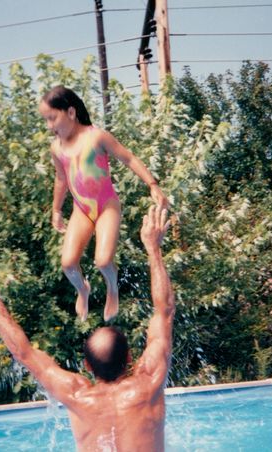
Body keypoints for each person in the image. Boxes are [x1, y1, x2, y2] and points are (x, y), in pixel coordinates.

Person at [0, 205, 175, 451]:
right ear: (129, 357)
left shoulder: (77, 396)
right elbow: (165, 311)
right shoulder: (148, 382)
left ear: (86, 366)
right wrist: (153, 249)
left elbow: (24, 353)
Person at [39, 85, 168, 322]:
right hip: (82, 210)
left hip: (106, 206)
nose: (49, 125)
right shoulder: (56, 147)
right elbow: (61, 179)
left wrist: (152, 184)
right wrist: (56, 210)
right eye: (46, 120)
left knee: (103, 260)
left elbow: (128, 157)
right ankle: (83, 289)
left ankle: (112, 287)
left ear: (70, 112)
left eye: (52, 118)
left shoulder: (96, 136)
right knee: (68, 264)